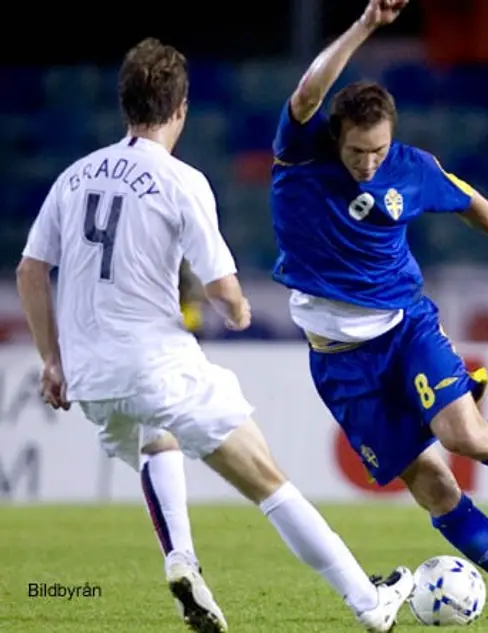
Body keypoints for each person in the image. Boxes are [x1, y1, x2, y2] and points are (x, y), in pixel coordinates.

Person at [15, 37, 415, 633]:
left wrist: (51, 361)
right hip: (157, 361)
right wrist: (236, 308)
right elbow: (221, 284)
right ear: (181, 108)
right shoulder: (180, 180)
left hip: (92, 376)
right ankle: (369, 602)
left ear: (126, 103)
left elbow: (30, 270)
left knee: (157, 442)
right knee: (268, 482)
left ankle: (181, 558)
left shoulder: (74, 179)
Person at [269, 0, 488, 625]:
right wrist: (366, 26)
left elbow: (467, 200)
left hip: (406, 328)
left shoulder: (410, 168)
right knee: (433, 485)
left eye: (378, 149)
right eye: (357, 151)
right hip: (340, 366)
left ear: (392, 138)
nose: (368, 162)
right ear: (337, 138)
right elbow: (306, 91)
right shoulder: (302, 153)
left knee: (467, 437)